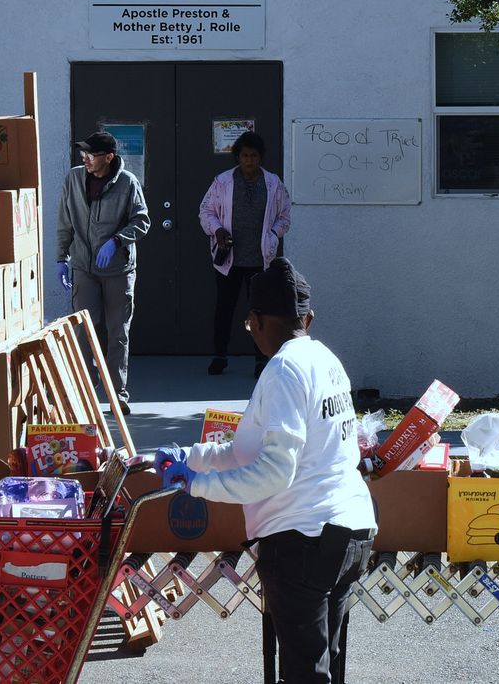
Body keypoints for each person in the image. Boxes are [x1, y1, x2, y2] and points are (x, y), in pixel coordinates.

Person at [157, 257, 375, 684]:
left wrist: (197, 485)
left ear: (254, 321)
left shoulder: (283, 370)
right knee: (321, 667)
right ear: (307, 319)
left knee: (304, 675)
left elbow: (275, 472)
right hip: (351, 533)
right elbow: (250, 448)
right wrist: (191, 455)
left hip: (302, 541)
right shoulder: (325, 360)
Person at [55, 131, 150, 415]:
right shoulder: (74, 178)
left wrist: (117, 240)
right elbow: (64, 220)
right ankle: (87, 390)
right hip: (84, 266)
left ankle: (117, 394)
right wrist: (62, 257)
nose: (85, 158)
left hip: (117, 269)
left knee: (117, 331)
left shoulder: (127, 183)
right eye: (83, 153)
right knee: (85, 329)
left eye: (91, 154)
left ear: (108, 158)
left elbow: (142, 220)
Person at [198, 131, 292, 378]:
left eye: (254, 156)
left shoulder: (273, 183)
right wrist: (217, 230)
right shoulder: (222, 182)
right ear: (237, 157)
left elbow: (285, 216)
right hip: (229, 258)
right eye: (244, 156)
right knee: (224, 308)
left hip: (260, 258)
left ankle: (261, 359)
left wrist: (272, 234)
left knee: (260, 312)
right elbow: (206, 211)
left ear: (260, 158)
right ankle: (220, 356)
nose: (249, 160)